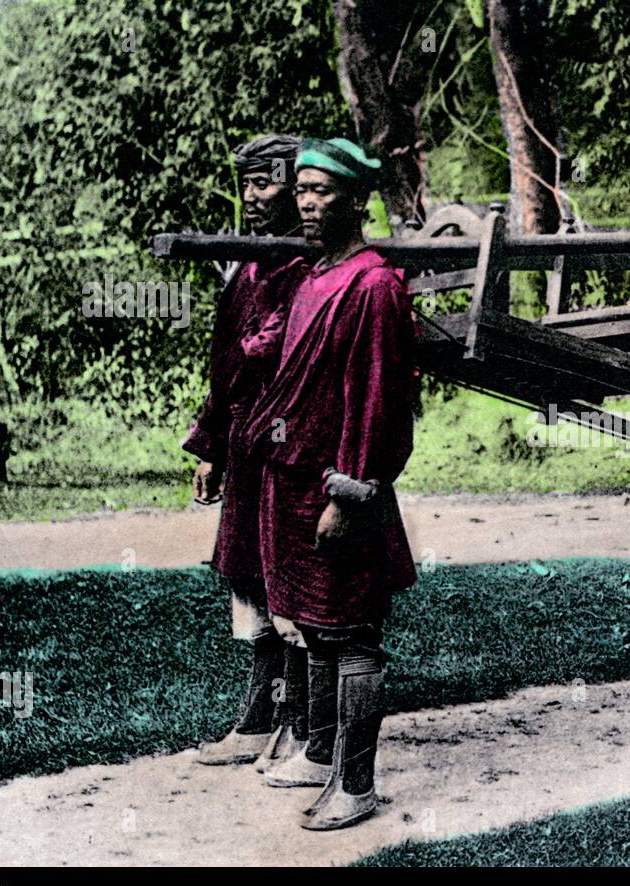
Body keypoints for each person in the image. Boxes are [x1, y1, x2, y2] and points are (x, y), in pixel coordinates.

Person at [241, 138, 417, 829]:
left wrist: (350, 492)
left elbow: (376, 403)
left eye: (324, 191)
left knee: (354, 634)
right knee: (313, 629)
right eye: (303, 190)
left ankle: (357, 783)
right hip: (296, 482)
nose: (308, 202)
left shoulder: (373, 286)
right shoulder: (313, 276)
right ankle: (319, 753)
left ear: (358, 199)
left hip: (341, 490)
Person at [187, 134, 311, 769]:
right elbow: (225, 365)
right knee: (247, 575)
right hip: (245, 439)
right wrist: (211, 446)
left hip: (287, 442)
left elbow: (264, 354)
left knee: (287, 575)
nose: (253, 196)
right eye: (248, 184)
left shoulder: (307, 267)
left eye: (266, 182)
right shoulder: (251, 263)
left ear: (297, 184)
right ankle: (259, 719)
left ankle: (297, 720)